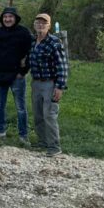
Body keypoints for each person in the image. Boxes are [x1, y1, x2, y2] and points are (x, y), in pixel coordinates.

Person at [0, 7, 33, 146]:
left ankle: (23, 135)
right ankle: (1, 131)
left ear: (16, 18)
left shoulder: (24, 32)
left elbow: (30, 53)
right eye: (5, 17)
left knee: (20, 107)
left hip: (16, 76)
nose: (7, 19)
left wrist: (23, 71)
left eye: (10, 17)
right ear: (2, 19)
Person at [28, 13, 69, 157]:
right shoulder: (33, 41)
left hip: (50, 83)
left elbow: (62, 66)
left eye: (43, 23)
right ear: (34, 25)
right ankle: (43, 141)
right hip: (36, 83)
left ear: (49, 26)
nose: (40, 25)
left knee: (49, 114)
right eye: (38, 23)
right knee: (38, 114)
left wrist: (60, 86)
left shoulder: (54, 42)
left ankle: (54, 147)